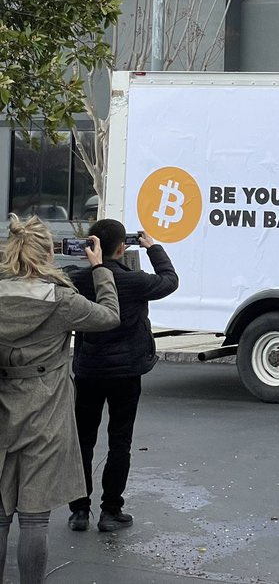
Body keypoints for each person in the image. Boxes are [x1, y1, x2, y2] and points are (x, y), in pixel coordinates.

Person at [0, 215, 119, 583]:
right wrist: (100, 269)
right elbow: (110, 316)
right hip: (46, 412)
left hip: (3, 408)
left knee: (1, 513)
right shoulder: (63, 301)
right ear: (48, 253)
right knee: (34, 517)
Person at [66, 220, 178, 534]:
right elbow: (170, 280)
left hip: (88, 370)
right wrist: (153, 247)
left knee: (83, 443)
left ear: (92, 245)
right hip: (127, 372)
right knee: (120, 442)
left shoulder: (79, 280)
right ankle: (110, 512)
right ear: (121, 247)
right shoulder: (136, 281)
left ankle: (78, 511)